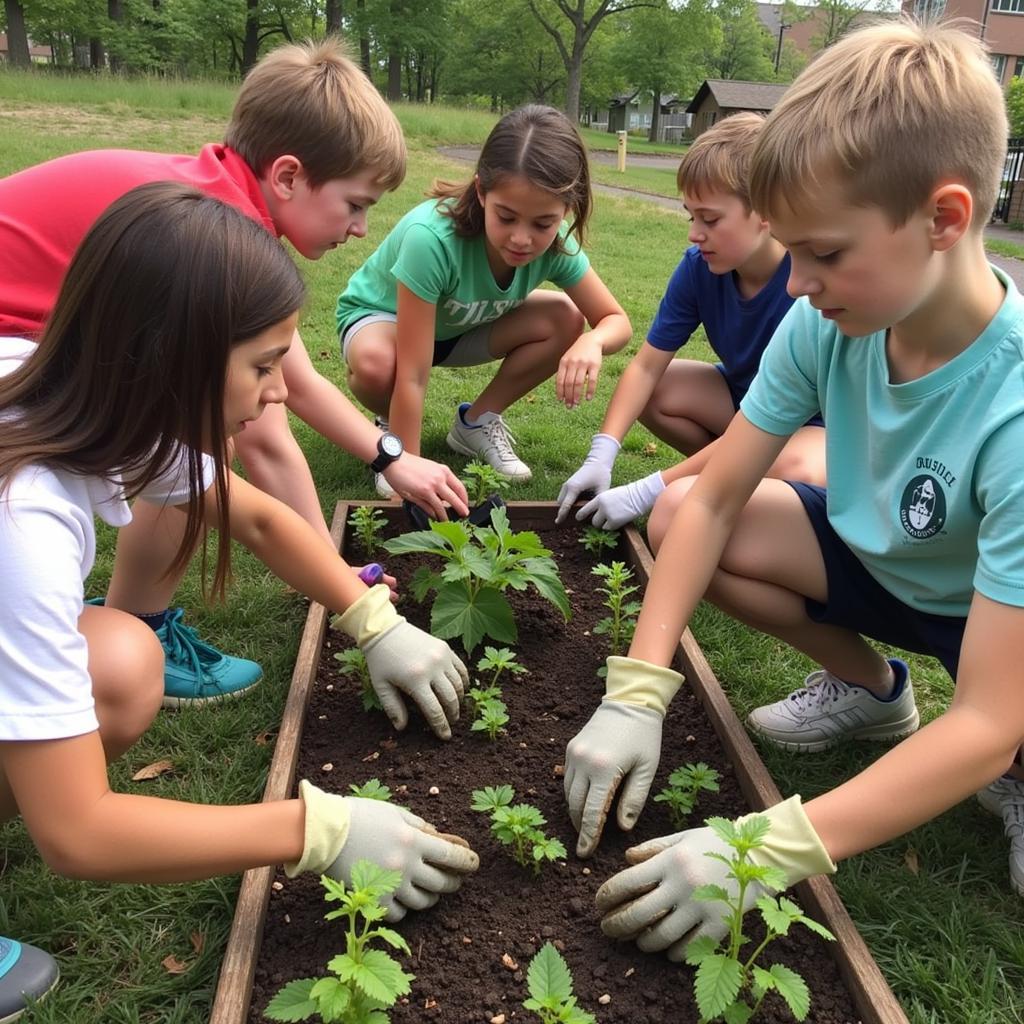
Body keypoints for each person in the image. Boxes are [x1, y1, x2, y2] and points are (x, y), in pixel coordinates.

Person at [561, 20, 1024, 959]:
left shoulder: (1013, 404)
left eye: (825, 252)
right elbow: (722, 492)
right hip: (891, 563)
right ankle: (873, 694)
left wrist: (764, 851)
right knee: (689, 512)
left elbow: (985, 713)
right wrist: (639, 691)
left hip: (1000, 628)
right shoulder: (831, 321)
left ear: (944, 218)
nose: (800, 283)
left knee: (996, 742)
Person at [0, 184, 478, 1019]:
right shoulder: (22, 522)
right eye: (264, 366)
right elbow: (78, 833)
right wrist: (312, 830)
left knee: (116, 663)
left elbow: (254, 514)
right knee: (99, 698)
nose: (283, 393)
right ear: (165, 357)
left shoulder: (90, 397)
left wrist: (372, 620)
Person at [0, 37, 469, 708]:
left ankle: (140, 621)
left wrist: (387, 457)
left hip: (27, 328)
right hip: (11, 335)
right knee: (201, 423)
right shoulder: (214, 234)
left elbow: (292, 381)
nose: (363, 229)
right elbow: (266, 433)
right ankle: (143, 626)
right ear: (286, 177)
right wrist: (343, 586)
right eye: (356, 203)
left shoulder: (221, 207)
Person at [337, 104, 631, 494]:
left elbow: (616, 320)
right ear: (481, 190)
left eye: (543, 223)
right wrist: (407, 466)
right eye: (506, 217)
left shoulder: (559, 244)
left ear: (566, 209)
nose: (522, 239)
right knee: (379, 365)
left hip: (459, 328)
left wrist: (593, 340)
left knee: (566, 318)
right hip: (383, 321)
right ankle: (392, 429)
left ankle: (475, 423)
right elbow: (413, 372)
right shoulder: (431, 239)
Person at [555, 113, 825, 530]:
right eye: (690, 217)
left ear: (767, 213)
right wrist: (602, 451)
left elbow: (777, 420)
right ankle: (726, 475)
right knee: (657, 389)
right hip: (741, 404)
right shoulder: (700, 267)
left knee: (794, 464)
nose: (695, 234)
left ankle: (719, 480)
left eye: (711, 219)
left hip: (808, 430)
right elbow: (647, 366)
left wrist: (648, 489)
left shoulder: (805, 283)